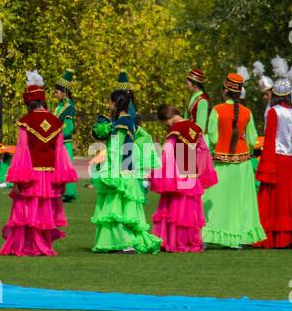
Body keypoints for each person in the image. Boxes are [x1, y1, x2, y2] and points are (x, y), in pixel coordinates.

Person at [0, 72, 77, 256]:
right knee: (44, 210)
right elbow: (60, 153)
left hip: (31, 173)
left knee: (26, 209)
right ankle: (43, 245)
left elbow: (22, 150)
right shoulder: (56, 122)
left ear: (29, 103)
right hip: (49, 175)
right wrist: (61, 177)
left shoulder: (26, 122)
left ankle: (25, 245)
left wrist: (19, 176)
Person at [90, 76, 161, 253]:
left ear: (115, 103)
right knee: (120, 205)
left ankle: (127, 242)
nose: (108, 105)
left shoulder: (122, 123)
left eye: (110, 102)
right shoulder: (129, 121)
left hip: (122, 168)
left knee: (118, 205)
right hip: (125, 167)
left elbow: (122, 147)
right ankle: (120, 241)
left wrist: (118, 168)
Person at [202, 71, 265, 248]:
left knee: (215, 199)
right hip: (242, 163)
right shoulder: (247, 112)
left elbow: (213, 138)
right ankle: (236, 239)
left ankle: (210, 235)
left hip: (221, 162)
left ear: (224, 91)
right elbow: (253, 141)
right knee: (239, 201)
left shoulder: (217, 110)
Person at [253, 77, 292, 249]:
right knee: (289, 200)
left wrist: (266, 165)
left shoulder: (274, 112)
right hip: (290, 160)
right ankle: (290, 237)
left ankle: (274, 237)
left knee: (274, 200)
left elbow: (270, 139)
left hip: (276, 159)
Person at [149, 103, 217, 253]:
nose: (165, 125)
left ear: (168, 118)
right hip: (191, 174)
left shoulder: (175, 131)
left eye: (164, 122)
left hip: (177, 176)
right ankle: (187, 242)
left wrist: (160, 173)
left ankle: (172, 241)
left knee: (174, 211)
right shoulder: (195, 128)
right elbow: (203, 151)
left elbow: (167, 153)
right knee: (189, 212)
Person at [51, 72, 78, 203]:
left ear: (64, 92)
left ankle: (68, 192)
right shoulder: (60, 106)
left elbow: (69, 127)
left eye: (57, 90)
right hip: (58, 141)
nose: (55, 92)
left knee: (66, 166)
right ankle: (60, 191)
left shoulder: (68, 106)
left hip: (64, 141)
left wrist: (56, 132)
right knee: (59, 166)